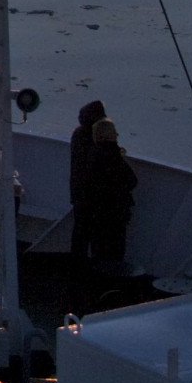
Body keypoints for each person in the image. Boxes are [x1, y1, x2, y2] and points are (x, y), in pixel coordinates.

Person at [88, 117, 138, 272]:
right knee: (115, 248)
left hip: (98, 209)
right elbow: (132, 180)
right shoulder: (113, 155)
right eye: (115, 133)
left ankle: (98, 277)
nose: (117, 135)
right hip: (115, 210)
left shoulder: (94, 155)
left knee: (99, 247)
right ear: (109, 135)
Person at [69, 99, 107, 266]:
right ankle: (92, 264)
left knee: (81, 231)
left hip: (80, 192)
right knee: (91, 233)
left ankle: (79, 262)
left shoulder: (79, 135)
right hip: (91, 194)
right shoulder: (90, 138)